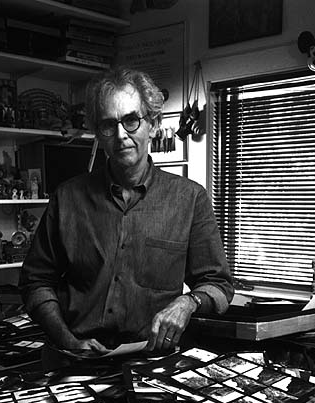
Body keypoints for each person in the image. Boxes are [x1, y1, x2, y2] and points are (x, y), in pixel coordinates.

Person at [19, 67, 233, 369]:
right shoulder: (67, 198)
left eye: (131, 120)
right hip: (74, 361)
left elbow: (219, 285)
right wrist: (67, 340)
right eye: (108, 125)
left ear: (153, 124)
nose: (121, 136)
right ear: (98, 134)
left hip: (152, 365)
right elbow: (35, 282)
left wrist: (188, 302)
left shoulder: (190, 198)